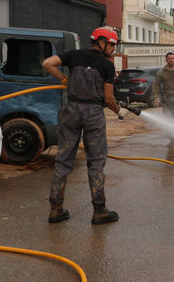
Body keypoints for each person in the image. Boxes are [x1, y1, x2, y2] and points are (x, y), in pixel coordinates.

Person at [42, 27, 128, 225]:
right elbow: (108, 98)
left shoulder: (74, 55)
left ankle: (56, 209)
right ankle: (99, 210)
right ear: (101, 41)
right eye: (112, 45)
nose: (114, 49)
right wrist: (119, 111)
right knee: (96, 162)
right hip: (93, 114)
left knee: (63, 161)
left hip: (71, 111)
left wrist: (64, 79)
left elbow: (48, 63)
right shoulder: (106, 66)